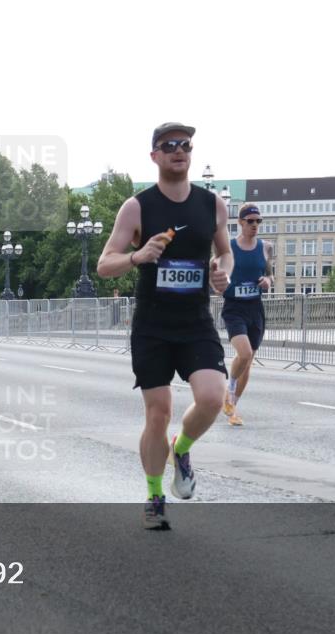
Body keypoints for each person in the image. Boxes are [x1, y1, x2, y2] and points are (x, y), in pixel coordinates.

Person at [96, 122, 233, 530]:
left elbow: (225, 254)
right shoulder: (137, 207)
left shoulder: (212, 205)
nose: (179, 151)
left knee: (212, 397)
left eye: (185, 145)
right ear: (154, 155)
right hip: (153, 325)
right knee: (158, 412)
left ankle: (183, 447)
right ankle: (155, 496)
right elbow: (104, 264)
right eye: (169, 145)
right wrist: (138, 257)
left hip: (195, 322)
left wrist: (221, 272)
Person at [221, 204, 273, 427]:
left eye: (258, 221)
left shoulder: (267, 247)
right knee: (244, 353)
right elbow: (217, 273)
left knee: (248, 362)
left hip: (255, 309)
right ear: (240, 222)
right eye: (250, 221)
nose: (255, 225)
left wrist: (268, 281)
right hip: (234, 308)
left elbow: (270, 275)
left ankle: (233, 408)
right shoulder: (229, 248)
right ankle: (230, 387)